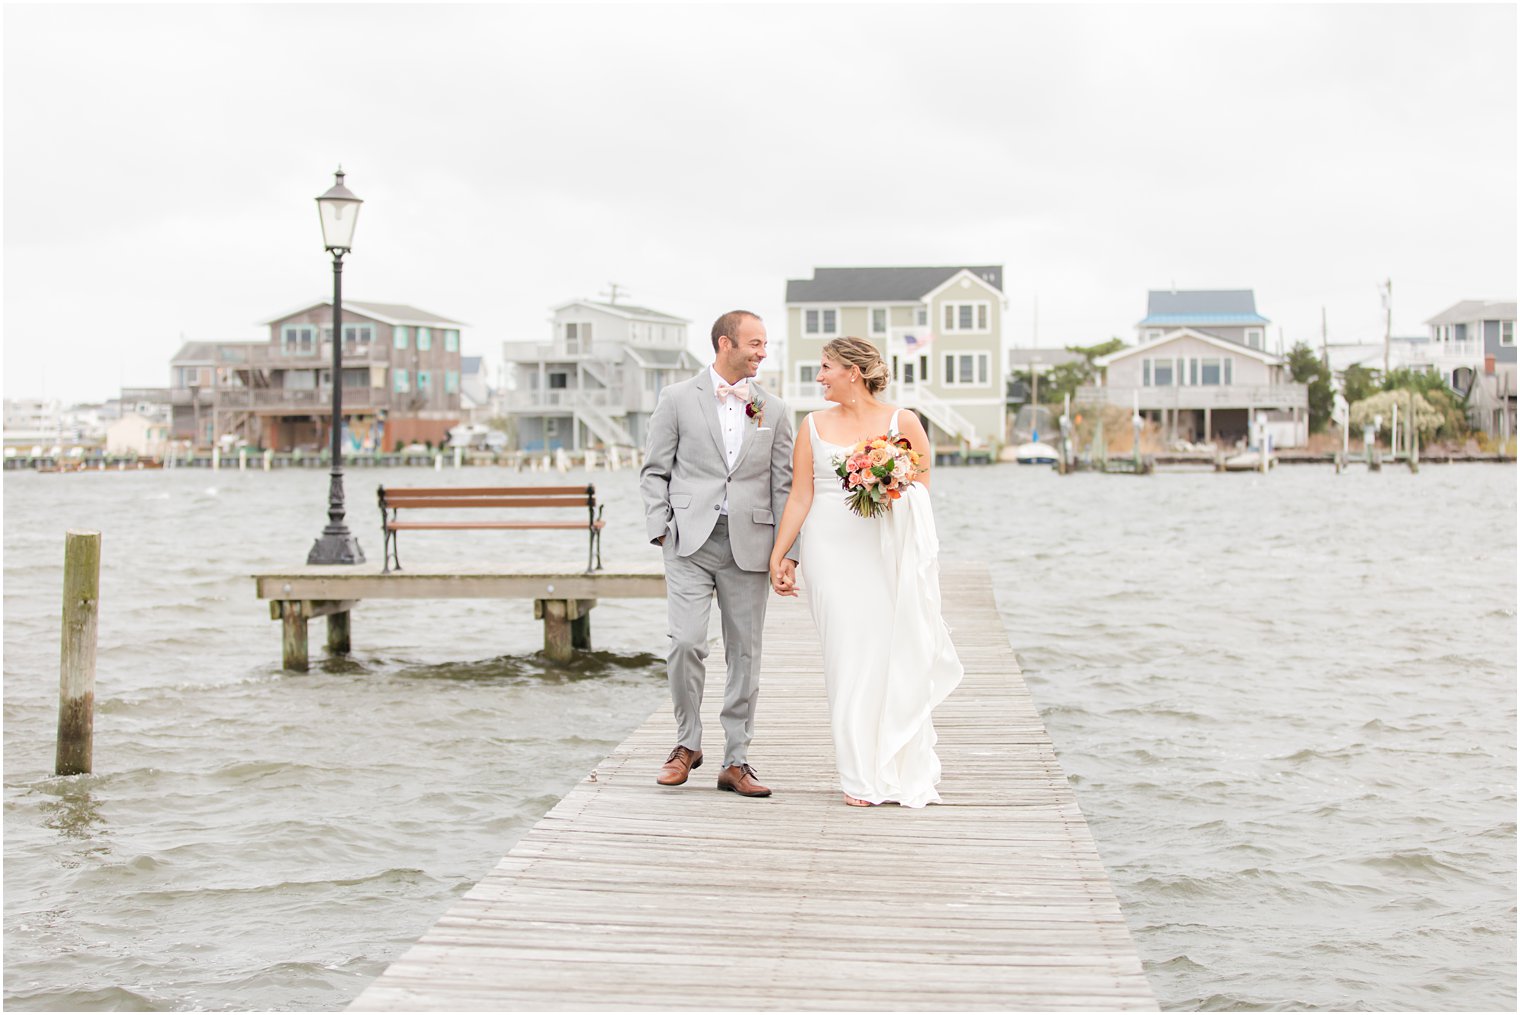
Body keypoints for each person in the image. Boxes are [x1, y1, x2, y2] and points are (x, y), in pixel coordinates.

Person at [767, 337, 963, 807]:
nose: (819, 377)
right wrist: (780, 555)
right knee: (846, 658)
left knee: (888, 652)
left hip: (883, 547)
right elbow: (800, 496)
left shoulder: (903, 421)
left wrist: (888, 478)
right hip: (829, 549)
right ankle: (858, 776)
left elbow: (923, 482)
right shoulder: (811, 425)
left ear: (853, 371)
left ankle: (894, 765)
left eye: (825, 367)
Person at [639, 310, 797, 798]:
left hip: (751, 544)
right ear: (725, 343)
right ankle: (686, 745)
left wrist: (787, 553)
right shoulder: (677, 399)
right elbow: (653, 471)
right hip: (688, 540)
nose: (762, 351)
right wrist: (661, 529)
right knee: (686, 642)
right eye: (755, 343)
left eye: (766, 344)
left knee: (745, 654)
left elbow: (785, 486)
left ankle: (736, 759)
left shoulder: (775, 409)